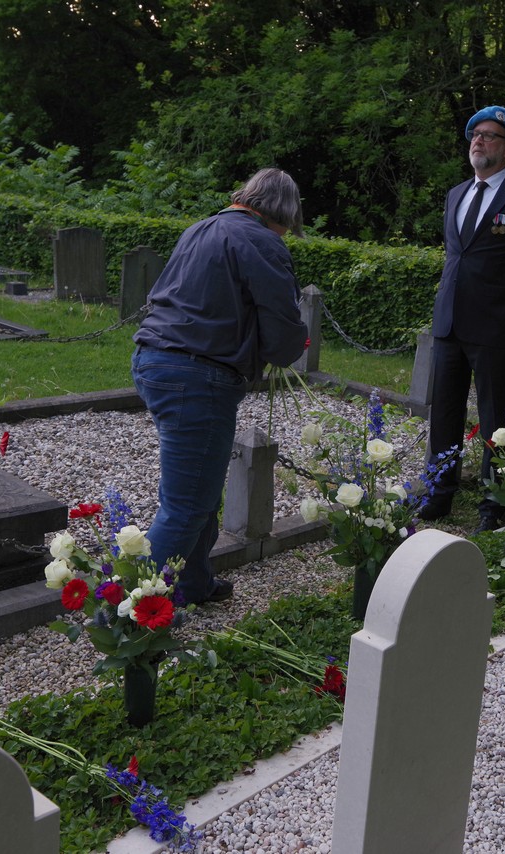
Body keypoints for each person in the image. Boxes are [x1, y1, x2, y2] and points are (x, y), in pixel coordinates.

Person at [132, 168, 309, 605]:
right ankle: (129, 613)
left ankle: (193, 584)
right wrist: (291, 344)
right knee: (185, 506)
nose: (286, 233)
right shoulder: (261, 241)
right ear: (283, 212)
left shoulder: (201, 227)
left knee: (199, 490)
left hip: (154, 359)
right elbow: (283, 331)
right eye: (289, 225)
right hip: (199, 375)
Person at [420, 105, 505, 532]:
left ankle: (492, 504)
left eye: (490, 135)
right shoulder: (456, 193)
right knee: (444, 412)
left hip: (495, 327)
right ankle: (438, 493)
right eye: (475, 134)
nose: (479, 141)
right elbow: (456, 256)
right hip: (449, 323)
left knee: (496, 420)